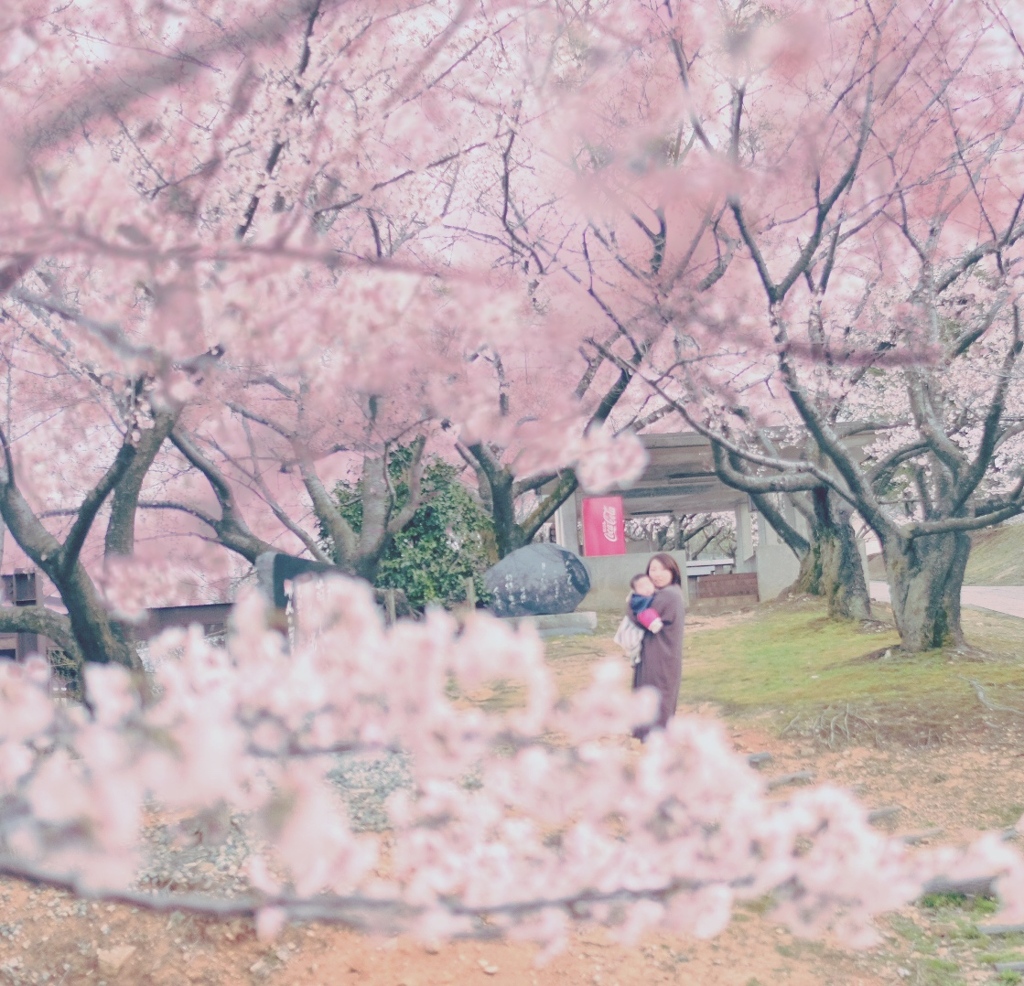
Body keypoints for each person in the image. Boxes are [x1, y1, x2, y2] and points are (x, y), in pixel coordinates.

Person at [630, 553, 686, 740]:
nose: (657, 574)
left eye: (663, 569)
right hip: (660, 654)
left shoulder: (667, 595)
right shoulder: (668, 593)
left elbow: (639, 617)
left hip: (660, 656)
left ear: (673, 572)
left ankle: (656, 741)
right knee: (656, 696)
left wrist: (631, 603)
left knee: (656, 697)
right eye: (653, 569)